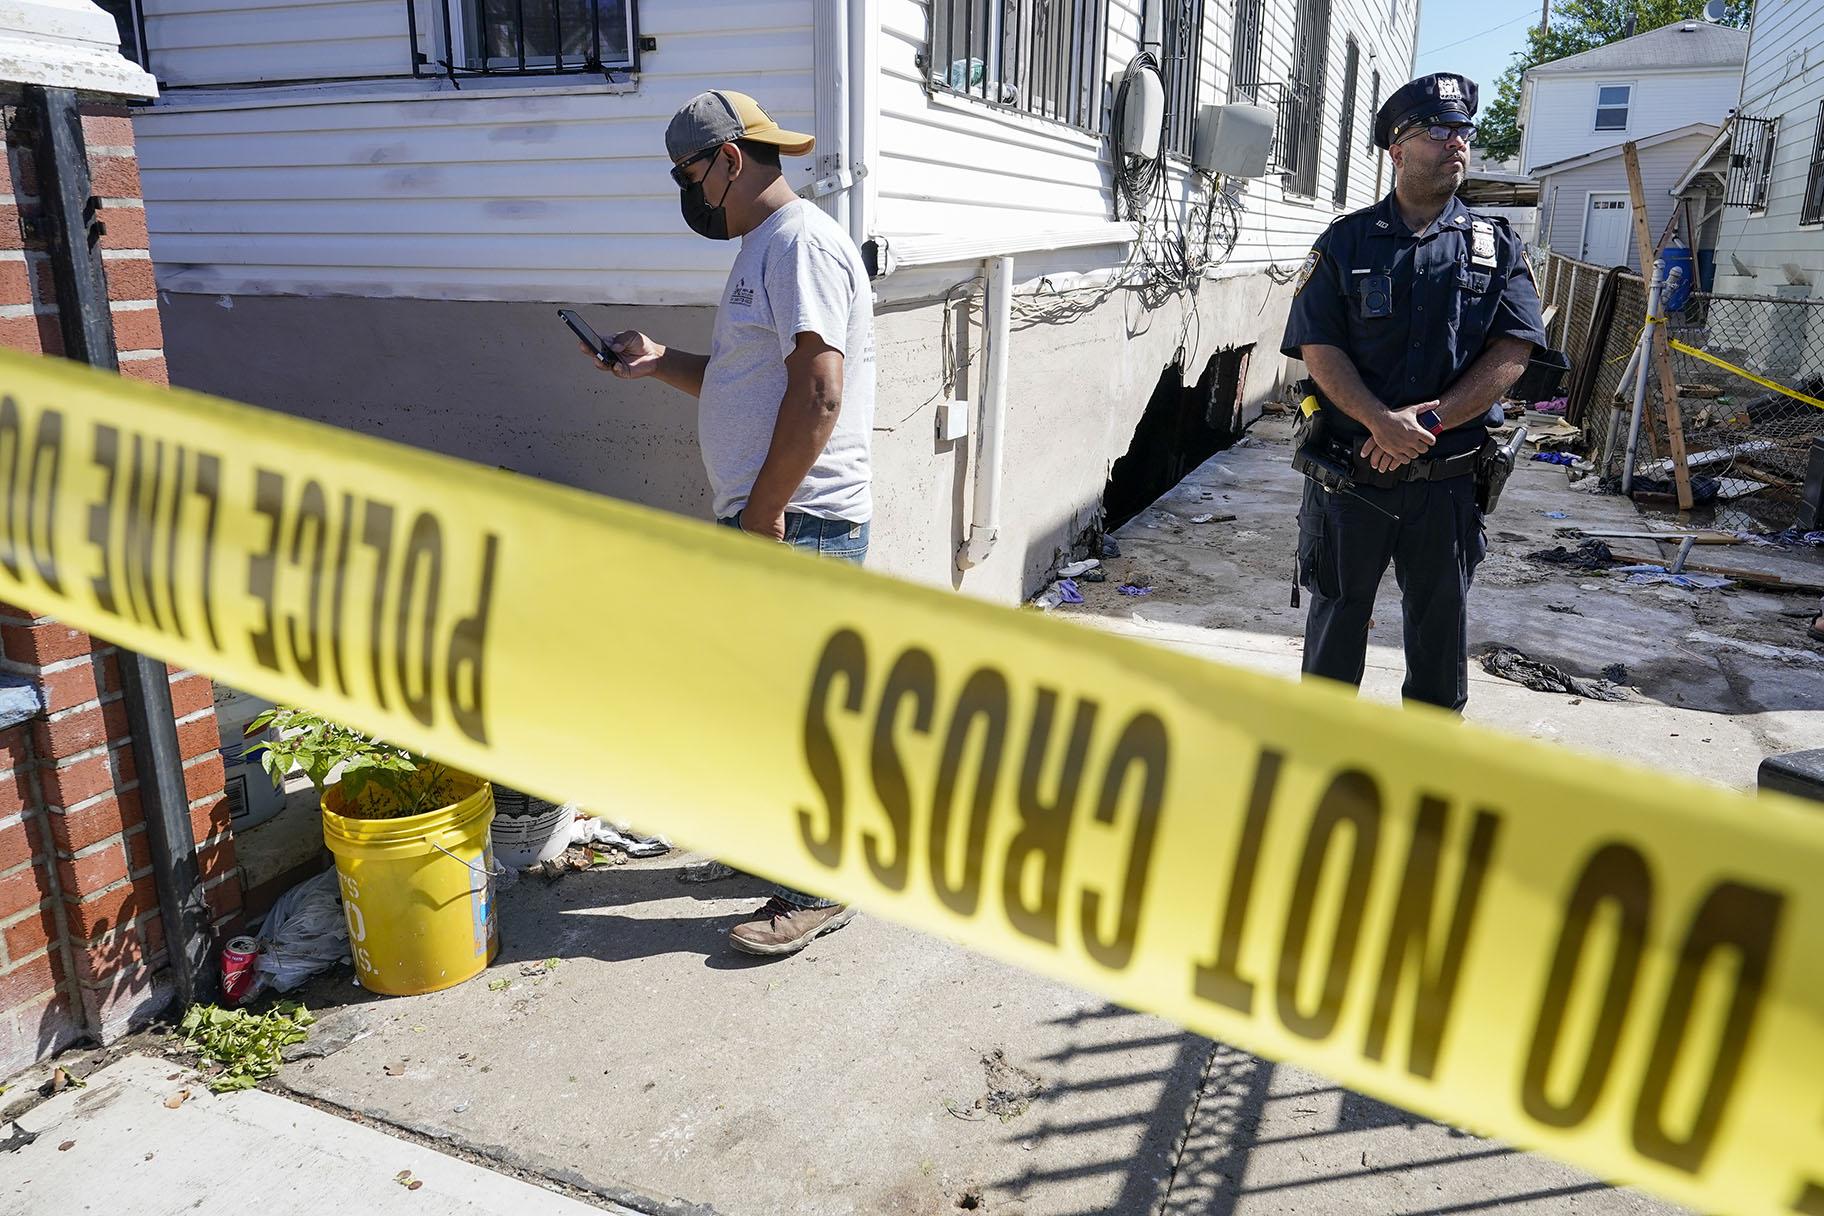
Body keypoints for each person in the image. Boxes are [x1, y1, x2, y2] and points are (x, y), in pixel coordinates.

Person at [582, 90, 876, 956]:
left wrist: (765, 513)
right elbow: (750, 381)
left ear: (731, 160)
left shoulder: (799, 244)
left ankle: (820, 889)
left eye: (689, 174)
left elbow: (819, 391)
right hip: (770, 520)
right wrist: (656, 362)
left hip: (797, 524)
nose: (688, 192)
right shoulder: (764, 250)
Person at [1281, 72, 1546, 712]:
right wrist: (1379, 421)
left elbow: (1512, 351)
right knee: (1337, 624)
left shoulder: (1498, 247)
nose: (1456, 142)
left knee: (1439, 632)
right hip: (1352, 479)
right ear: (1397, 150)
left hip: (1447, 485)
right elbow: (1319, 346)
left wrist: (1423, 423)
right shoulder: (1345, 242)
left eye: (1463, 131)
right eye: (1437, 130)